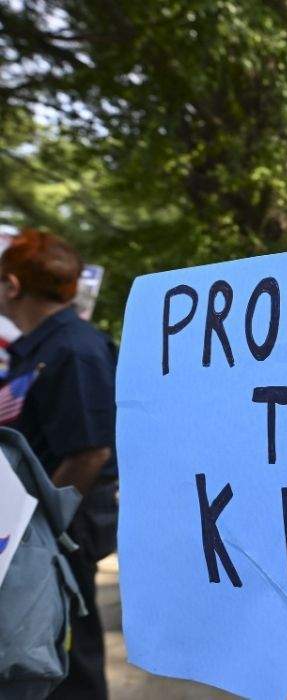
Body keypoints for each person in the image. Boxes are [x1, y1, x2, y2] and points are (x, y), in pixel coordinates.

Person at [0, 228, 118, 699]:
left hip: (59, 530)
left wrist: (41, 521)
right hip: (33, 529)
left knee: (69, 654)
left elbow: (90, 452)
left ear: (11, 285)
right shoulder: (37, 347)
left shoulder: (74, 347)